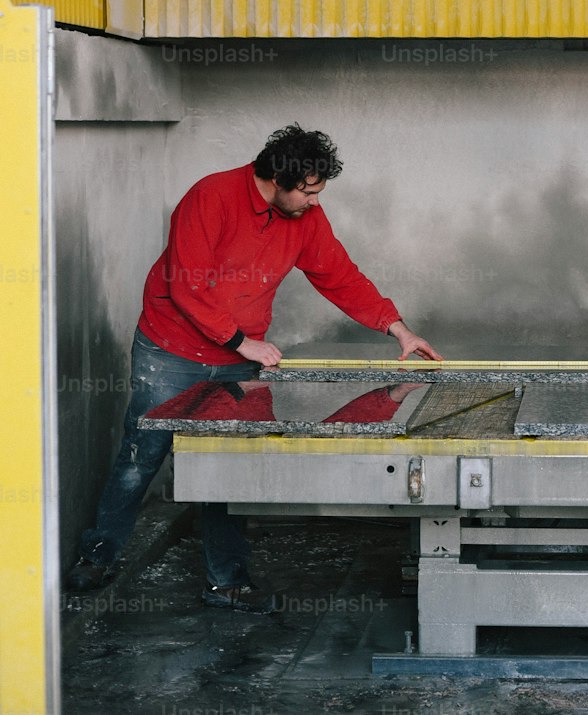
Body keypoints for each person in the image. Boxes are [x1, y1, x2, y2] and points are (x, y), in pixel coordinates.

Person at [66, 123, 440, 613]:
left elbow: (340, 276)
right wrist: (243, 342)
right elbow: (187, 287)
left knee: (227, 469)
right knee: (142, 454)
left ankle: (227, 581)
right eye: (307, 192)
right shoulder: (211, 197)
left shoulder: (305, 217)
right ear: (277, 179)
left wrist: (397, 328)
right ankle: (99, 556)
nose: (313, 202)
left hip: (240, 357)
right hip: (172, 350)